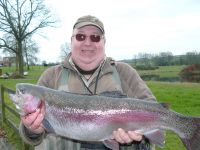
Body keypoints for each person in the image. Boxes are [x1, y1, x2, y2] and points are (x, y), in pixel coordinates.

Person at [19, 15, 158, 150]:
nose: (88, 43)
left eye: (95, 37)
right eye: (80, 36)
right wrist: (32, 130)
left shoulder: (125, 72)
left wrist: (138, 137)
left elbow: (157, 113)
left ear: (104, 42)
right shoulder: (51, 76)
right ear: (71, 41)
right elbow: (30, 135)